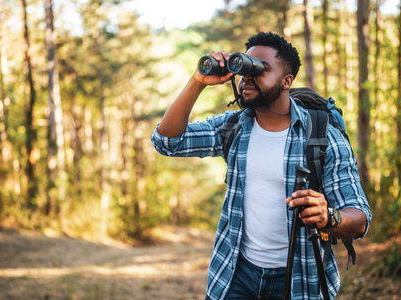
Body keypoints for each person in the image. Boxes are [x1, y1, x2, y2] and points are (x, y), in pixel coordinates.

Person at [151, 32, 371, 300]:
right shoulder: (233, 127)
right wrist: (198, 81)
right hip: (235, 274)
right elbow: (166, 142)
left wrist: (330, 217)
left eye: (260, 69)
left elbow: (359, 218)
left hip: (298, 280)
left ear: (287, 81)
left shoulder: (322, 136)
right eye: (245, 66)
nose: (247, 76)